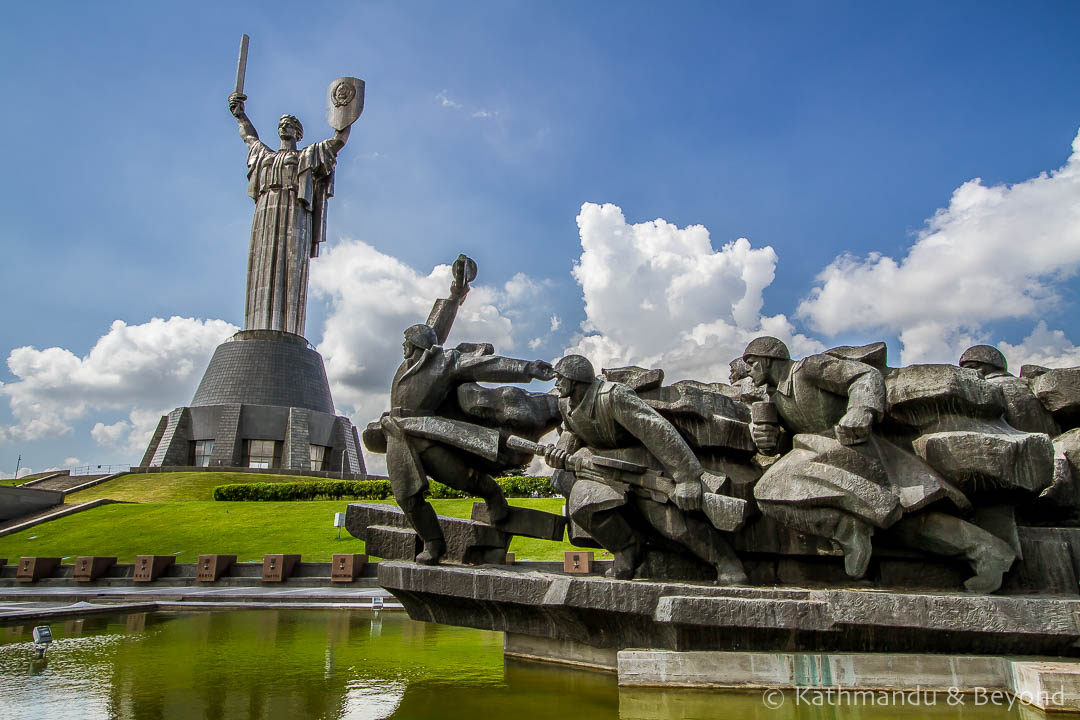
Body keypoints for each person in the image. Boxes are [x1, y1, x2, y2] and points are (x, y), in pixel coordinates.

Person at [744, 336, 1016, 593]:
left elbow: (864, 375)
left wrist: (860, 410)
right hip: (820, 459)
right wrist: (768, 442)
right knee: (900, 525)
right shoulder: (774, 398)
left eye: (751, 363)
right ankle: (988, 551)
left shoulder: (809, 368)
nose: (749, 371)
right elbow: (787, 441)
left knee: (770, 487)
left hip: (852, 450)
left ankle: (855, 525)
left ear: (768, 359)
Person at [381, 270, 555, 565]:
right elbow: (432, 326)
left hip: (430, 434)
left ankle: (493, 496)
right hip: (397, 435)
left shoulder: (445, 361)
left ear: (416, 344)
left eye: (406, 341)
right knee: (406, 494)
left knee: (464, 479)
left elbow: (488, 364)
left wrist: (527, 369)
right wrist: (454, 296)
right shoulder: (407, 363)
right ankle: (433, 543)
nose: (402, 346)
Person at [544, 355, 747, 583]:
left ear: (575, 379)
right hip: (601, 469)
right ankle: (627, 550)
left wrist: (687, 478)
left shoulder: (612, 395)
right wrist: (561, 451)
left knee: (673, 526)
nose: (556, 383)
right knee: (584, 507)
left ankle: (727, 562)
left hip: (642, 467)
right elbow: (572, 431)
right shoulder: (565, 403)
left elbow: (656, 430)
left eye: (560, 378)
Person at [228, 91, 349, 337]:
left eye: (291, 125)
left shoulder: (307, 155)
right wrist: (241, 116)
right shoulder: (265, 156)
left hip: (295, 211)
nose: (285, 127)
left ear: (299, 133)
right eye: (282, 125)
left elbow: (337, 142)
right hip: (266, 212)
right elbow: (249, 138)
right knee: (262, 263)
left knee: (290, 267)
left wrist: (344, 114)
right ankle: (258, 326)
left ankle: (287, 328)